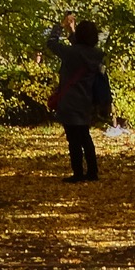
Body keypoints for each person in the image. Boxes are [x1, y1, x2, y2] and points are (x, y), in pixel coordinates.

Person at [47, 13, 110, 182]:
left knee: (73, 139)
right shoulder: (96, 55)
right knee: (85, 136)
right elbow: (82, 49)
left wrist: (59, 27)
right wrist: (72, 32)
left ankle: (78, 174)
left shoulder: (71, 53)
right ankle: (92, 172)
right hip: (86, 101)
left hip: (69, 102)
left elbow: (51, 43)